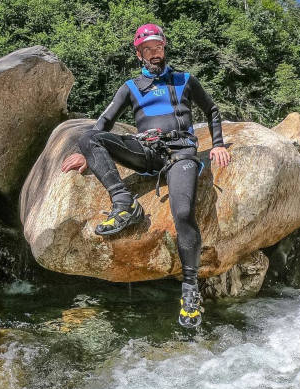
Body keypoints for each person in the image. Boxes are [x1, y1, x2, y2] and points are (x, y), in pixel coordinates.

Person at [60, 23, 230, 328]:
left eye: (158, 47)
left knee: (183, 213)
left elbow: (212, 110)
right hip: (147, 152)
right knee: (88, 138)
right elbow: (104, 122)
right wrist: (86, 152)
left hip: (181, 154)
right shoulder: (131, 86)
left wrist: (217, 144)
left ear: (164, 48)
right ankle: (124, 203)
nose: (154, 53)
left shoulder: (185, 80)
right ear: (139, 54)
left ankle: (190, 290)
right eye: (147, 49)